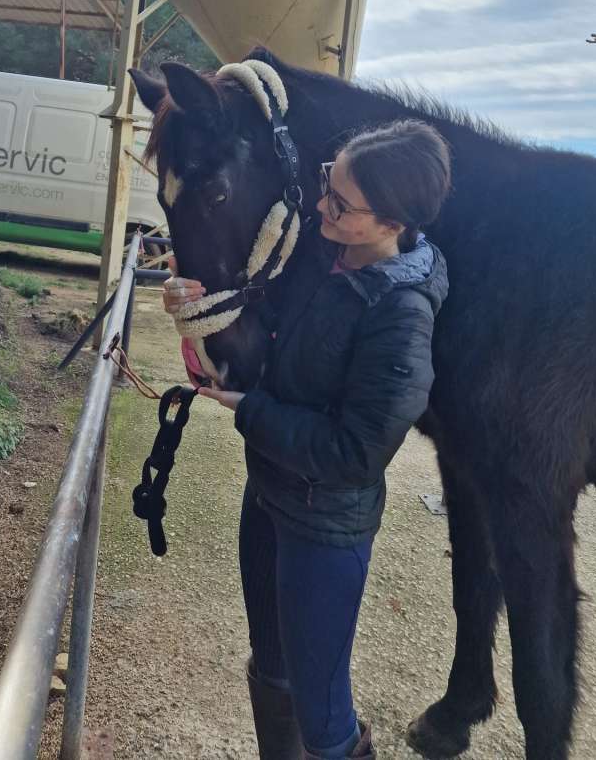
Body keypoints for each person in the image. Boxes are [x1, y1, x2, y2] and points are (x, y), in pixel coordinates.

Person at [163, 120, 451, 760]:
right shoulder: (322, 258)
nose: (321, 204)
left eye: (341, 203)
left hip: (323, 530)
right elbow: (262, 340)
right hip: (267, 495)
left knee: (325, 719)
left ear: (391, 221)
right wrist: (196, 311)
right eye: (328, 184)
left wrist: (251, 411)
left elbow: (356, 453)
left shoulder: (401, 316)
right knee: (270, 669)